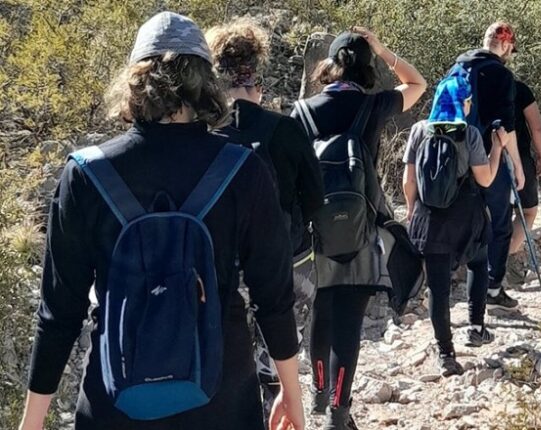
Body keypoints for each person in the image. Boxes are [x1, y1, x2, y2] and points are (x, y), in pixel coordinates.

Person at [18, 12, 303, 430]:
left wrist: (32, 421)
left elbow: (59, 311)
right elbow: (273, 297)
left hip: (116, 399)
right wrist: (291, 393)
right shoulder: (243, 169)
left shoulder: (86, 175)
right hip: (222, 395)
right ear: (206, 83)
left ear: (134, 83)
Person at [291, 27, 426, 430]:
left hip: (314, 230)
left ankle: (319, 392)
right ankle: (338, 411)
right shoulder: (374, 105)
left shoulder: (302, 111)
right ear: (366, 68)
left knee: (321, 309)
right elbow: (417, 84)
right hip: (362, 228)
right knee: (349, 321)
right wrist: (383, 50)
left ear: (330, 65)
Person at [205, 17, 324, 425]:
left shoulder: (206, 133)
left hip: (224, 270)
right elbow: (315, 201)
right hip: (288, 264)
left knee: (232, 366)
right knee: (278, 360)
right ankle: (282, 404)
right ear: (257, 78)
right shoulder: (286, 129)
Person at [403, 74, 504, 376]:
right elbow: (485, 179)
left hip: (430, 219)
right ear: (463, 102)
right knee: (479, 262)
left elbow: (409, 180)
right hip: (466, 217)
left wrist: (411, 210)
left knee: (438, 288)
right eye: (468, 100)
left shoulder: (419, 130)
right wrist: (497, 149)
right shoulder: (468, 133)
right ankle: (476, 327)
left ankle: (446, 353)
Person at [452, 21, 525, 311]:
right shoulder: (501, 74)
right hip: (488, 158)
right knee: (499, 224)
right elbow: (506, 129)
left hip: (454, 159)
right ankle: (492, 288)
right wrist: (517, 165)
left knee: (462, 220)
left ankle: (446, 284)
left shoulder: (458, 67)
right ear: (505, 45)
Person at [503, 79, 541, 288]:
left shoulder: (471, 84)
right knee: (528, 212)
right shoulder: (518, 88)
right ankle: (508, 258)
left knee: (494, 214)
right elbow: (536, 127)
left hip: (482, 159)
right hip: (519, 159)